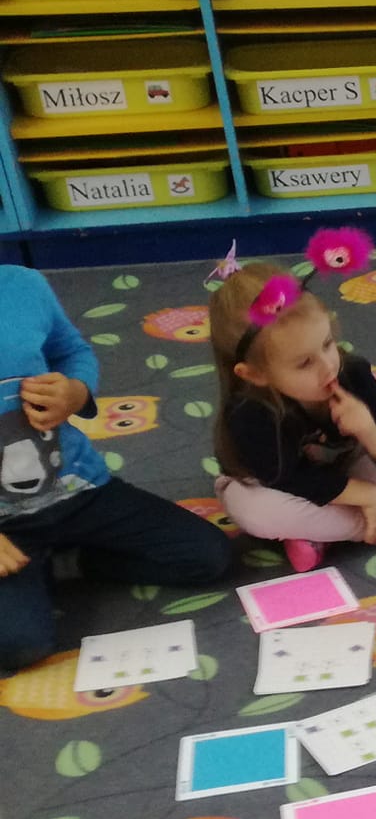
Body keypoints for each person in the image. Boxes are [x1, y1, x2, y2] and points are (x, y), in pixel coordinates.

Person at [0, 266, 232, 672]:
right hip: (8, 532)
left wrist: (75, 392)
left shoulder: (23, 285)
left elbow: (72, 352)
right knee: (20, 646)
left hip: (82, 489)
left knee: (208, 556)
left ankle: (67, 563)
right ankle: (41, 569)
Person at [210, 247, 376, 574]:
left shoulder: (352, 372)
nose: (328, 366)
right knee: (254, 512)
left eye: (327, 344)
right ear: (255, 374)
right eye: (304, 363)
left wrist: (370, 432)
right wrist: (366, 495)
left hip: (342, 473)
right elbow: (290, 480)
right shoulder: (249, 412)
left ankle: (322, 534)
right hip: (276, 487)